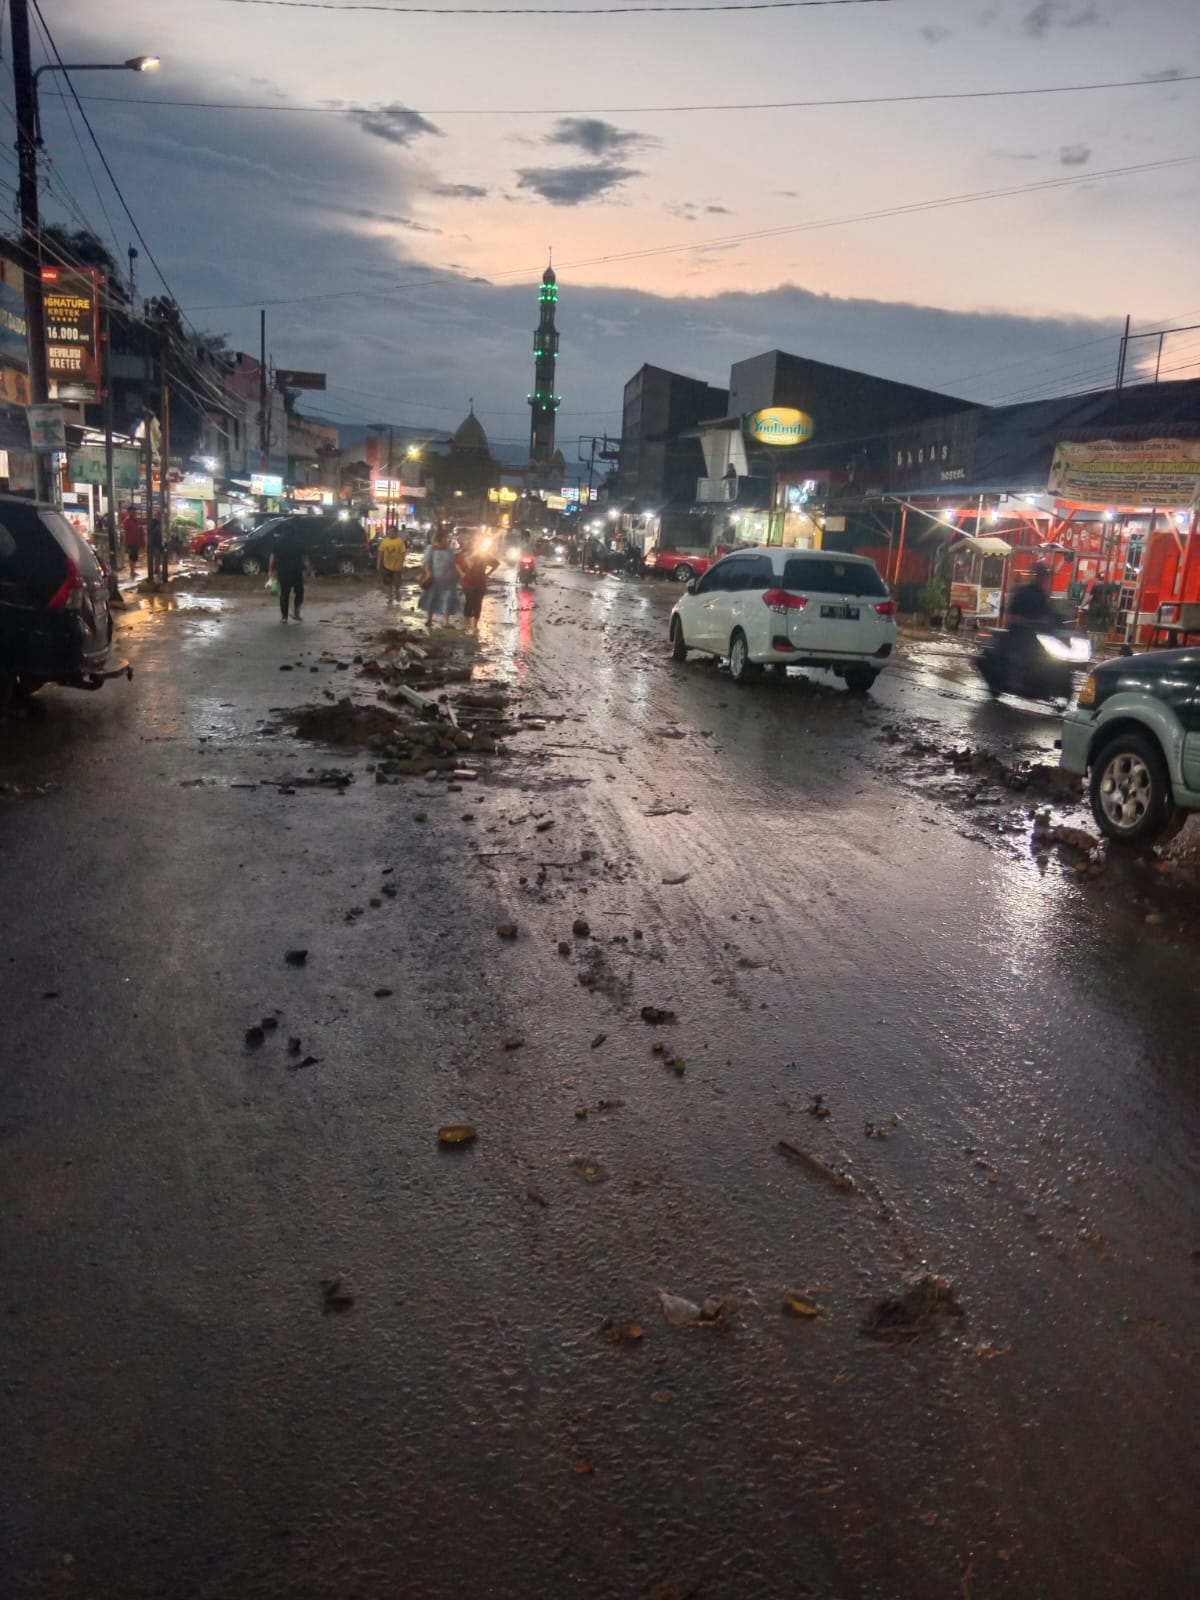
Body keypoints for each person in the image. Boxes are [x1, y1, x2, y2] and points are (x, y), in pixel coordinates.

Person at [269, 522, 312, 622]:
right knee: (299, 593)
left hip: (283, 572)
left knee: (284, 594)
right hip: (296, 572)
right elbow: (305, 558)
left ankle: (284, 617)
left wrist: (271, 570)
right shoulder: (299, 542)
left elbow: (272, 557)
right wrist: (309, 570)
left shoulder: (278, 542)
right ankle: (296, 612)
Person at [419, 527, 461, 626]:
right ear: (440, 539)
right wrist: (428, 574)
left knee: (448, 599)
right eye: (446, 538)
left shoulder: (449, 550)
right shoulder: (431, 549)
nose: (448, 540)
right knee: (431, 598)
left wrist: (458, 575)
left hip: (449, 580)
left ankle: (446, 621)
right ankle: (429, 619)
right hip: (434, 580)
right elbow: (426, 563)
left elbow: (453, 563)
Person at [458, 537, 499, 633]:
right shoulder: (482, 556)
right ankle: (474, 626)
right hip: (477, 583)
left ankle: (468, 625)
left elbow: (458, 566)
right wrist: (487, 574)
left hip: (472, 583)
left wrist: (462, 575)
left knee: (470, 603)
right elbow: (496, 564)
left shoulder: (470, 555)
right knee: (476, 604)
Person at [376, 522, 408, 606]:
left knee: (397, 583)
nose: (390, 533)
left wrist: (402, 564)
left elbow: (403, 553)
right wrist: (378, 564)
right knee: (387, 583)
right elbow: (380, 553)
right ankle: (390, 597)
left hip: (397, 567)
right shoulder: (384, 541)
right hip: (386, 566)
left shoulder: (400, 542)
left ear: (396, 532)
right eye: (389, 531)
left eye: (392, 531)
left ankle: (397, 592)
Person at [121, 507, 144, 576]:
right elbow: (125, 532)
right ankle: (132, 572)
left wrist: (141, 541)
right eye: (132, 511)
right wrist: (125, 542)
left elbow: (139, 530)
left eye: (134, 511)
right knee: (131, 556)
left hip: (136, 542)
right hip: (130, 542)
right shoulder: (127, 521)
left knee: (135, 557)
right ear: (129, 512)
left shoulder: (136, 521)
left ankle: (133, 571)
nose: (133, 512)